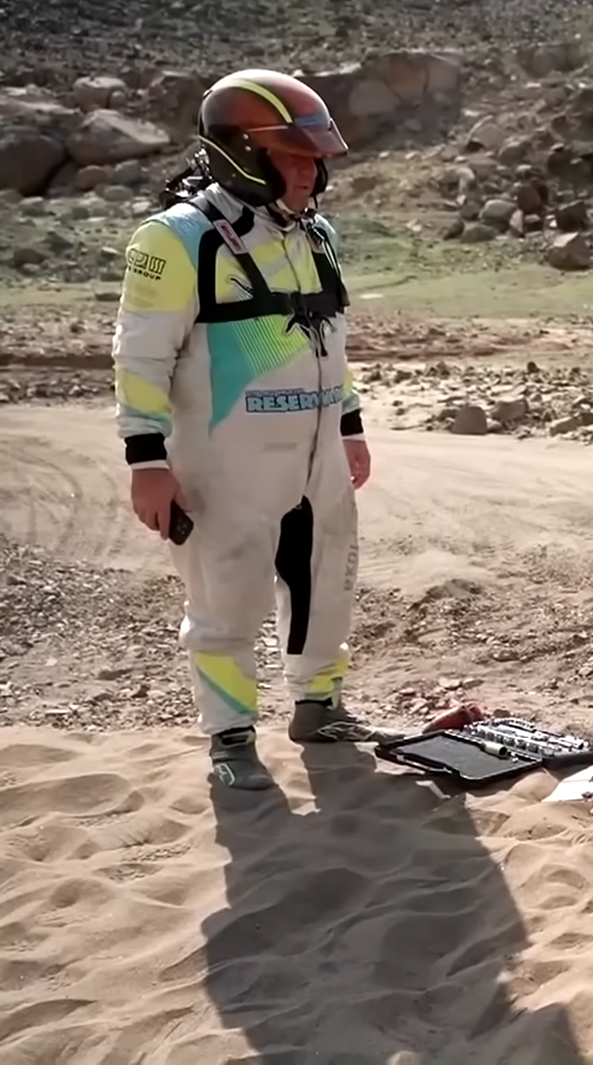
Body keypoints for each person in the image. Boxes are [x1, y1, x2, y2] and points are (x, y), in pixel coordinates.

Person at [112, 69, 399, 792]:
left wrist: (351, 425)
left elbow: (332, 339)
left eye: (314, 160)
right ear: (241, 152)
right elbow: (141, 352)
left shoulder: (318, 236)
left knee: (326, 583)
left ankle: (318, 703)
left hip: (316, 457)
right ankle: (231, 736)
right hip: (224, 458)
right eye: (293, 157)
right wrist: (146, 458)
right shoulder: (175, 241)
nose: (310, 172)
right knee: (225, 597)